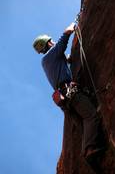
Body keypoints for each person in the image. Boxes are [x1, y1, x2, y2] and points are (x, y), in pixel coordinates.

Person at [33, 23, 102, 161]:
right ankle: (90, 149)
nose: (52, 43)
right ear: (46, 44)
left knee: (83, 124)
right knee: (91, 116)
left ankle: (88, 151)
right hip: (69, 92)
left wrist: (68, 58)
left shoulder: (48, 61)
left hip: (65, 100)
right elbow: (64, 37)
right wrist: (74, 25)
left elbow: (67, 59)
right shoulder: (50, 55)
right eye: (50, 41)